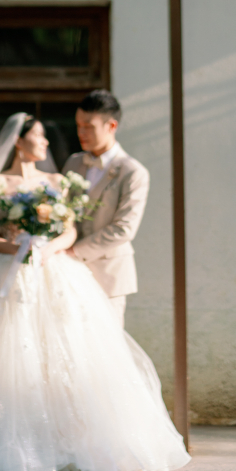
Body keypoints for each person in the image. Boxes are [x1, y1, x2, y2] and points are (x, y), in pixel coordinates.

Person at [0, 112, 190, 471]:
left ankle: (76, 437)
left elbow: (69, 229)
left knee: (71, 349)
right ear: (19, 141)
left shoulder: (56, 179)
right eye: (39, 135)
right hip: (11, 271)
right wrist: (20, 247)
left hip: (55, 267)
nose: (47, 142)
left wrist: (47, 246)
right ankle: (15, 437)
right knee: (6, 349)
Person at [64, 89, 149, 328]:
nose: (81, 133)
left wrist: (73, 252)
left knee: (106, 347)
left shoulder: (133, 172)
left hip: (108, 274)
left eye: (88, 126)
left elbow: (124, 229)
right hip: (67, 274)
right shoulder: (73, 162)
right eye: (78, 125)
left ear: (111, 125)